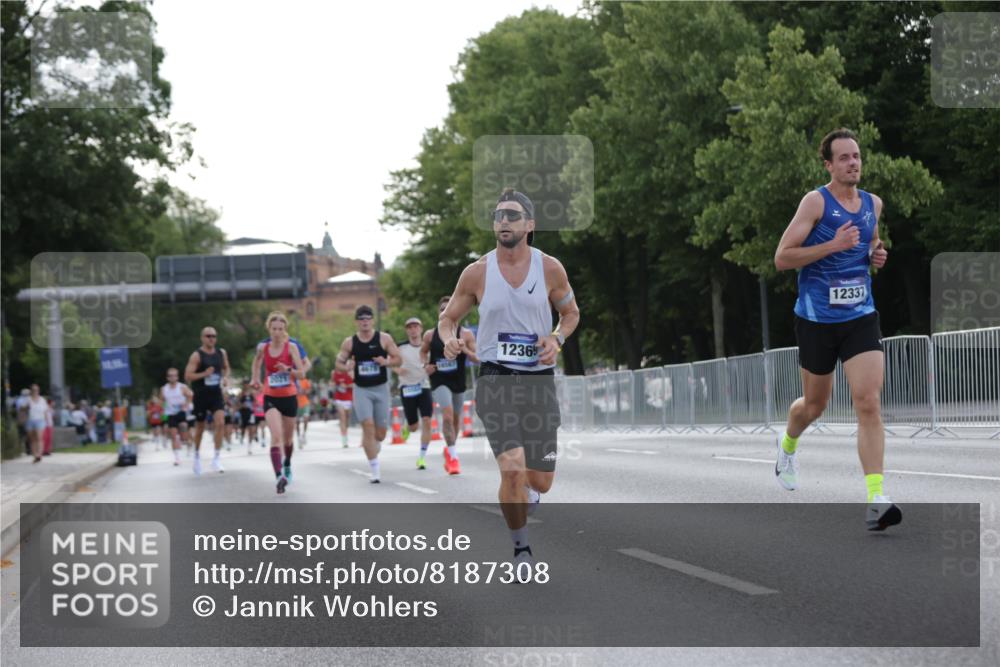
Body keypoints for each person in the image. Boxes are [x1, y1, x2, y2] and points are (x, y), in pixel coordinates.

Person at [439, 187, 579, 577]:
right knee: (513, 471)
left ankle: (528, 495)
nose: (504, 221)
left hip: (538, 382)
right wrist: (450, 338)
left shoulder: (550, 268)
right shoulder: (476, 272)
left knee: (541, 481)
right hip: (496, 379)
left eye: (513, 215)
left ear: (530, 225)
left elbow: (570, 313)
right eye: (499, 215)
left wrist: (556, 339)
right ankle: (521, 551)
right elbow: (448, 317)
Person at [773, 127, 900, 531]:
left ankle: (877, 497)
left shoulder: (872, 204)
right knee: (815, 405)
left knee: (868, 400)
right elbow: (782, 258)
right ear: (828, 164)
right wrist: (832, 246)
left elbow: (869, 246)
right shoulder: (815, 202)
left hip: (860, 315)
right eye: (844, 157)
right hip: (816, 320)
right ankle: (788, 444)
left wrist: (875, 256)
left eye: (857, 155)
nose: (853, 162)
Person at [335, 305, 402, 483]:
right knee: (368, 426)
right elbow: (339, 363)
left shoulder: (384, 339)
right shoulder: (350, 342)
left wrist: (385, 361)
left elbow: (398, 358)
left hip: (381, 389)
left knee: (380, 434)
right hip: (362, 389)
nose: (364, 321)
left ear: (372, 320)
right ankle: (375, 470)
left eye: (367, 318)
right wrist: (346, 366)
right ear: (357, 322)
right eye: (361, 318)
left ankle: (374, 444)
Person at [251, 311, 306, 494]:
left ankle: (287, 465)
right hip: (271, 397)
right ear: (269, 329)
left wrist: (288, 369)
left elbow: (301, 373)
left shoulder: (291, 348)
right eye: (274, 329)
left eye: (280, 329)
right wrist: (255, 379)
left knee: (288, 439)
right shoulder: (263, 348)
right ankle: (278, 477)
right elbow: (257, 363)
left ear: (285, 330)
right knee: (276, 437)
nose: (277, 332)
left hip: (289, 396)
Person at [423, 296, 479, 474]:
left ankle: (449, 449)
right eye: (441, 309)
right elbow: (422, 353)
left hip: (458, 381)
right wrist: (425, 365)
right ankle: (454, 458)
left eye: (448, 309)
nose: (444, 312)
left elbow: (477, 358)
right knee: (446, 415)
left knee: (455, 420)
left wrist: (464, 349)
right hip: (439, 380)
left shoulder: (466, 334)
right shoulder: (430, 335)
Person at [184, 326, 230, 475]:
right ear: (202, 338)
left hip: (216, 394)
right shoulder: (197, 355)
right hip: (201, 395)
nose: (211, 338)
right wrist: (204, 373)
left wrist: (225, 377)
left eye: (214, 336)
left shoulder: (221, 353)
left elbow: (226, 368)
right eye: (208, 336)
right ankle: (196, 455)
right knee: (200, 428)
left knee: (220, 423)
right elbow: (188, 376)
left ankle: (216, 458)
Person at [397, 317, 435, 470]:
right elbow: (390, 361)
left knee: (427, 420)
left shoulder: (428, 348)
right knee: (414, 427)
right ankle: (408, 425)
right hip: (407, 387)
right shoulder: (400, 347)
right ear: (407, 330)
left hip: (424, 386)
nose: (413, 329)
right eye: (410, 327)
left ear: (421, 329)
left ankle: (421, 457)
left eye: (416, 326)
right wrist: (397, 369)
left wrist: (432, 369)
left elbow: (434, 364)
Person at [160, 368, 193, 467]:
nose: (172, 377)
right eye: (170, 376)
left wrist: (186, 404)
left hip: (181, 413)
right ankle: (177, 458)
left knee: (184, 432)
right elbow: (161, 401)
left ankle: (187, 442)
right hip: (171, 414)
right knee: (174, 435)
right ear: (167, 377)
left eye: (174, 375)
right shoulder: (164, 389)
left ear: (177, 377)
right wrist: (164, 407)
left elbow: (190, 396)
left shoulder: (182, 387)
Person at [24, 384, 51, 463]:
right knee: (33, 439)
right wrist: (26, 407)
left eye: (37, 390)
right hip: (30, 420)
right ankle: (35, 454)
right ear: (31, 391)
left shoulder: (42, 399)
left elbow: (45, 410)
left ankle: (39, 454)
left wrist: (47, 421)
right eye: (33, 390)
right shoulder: (28, 399)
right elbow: (22, 409)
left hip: (40, 420)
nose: (35, 391)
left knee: (39, 437)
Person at [331, 365, 354, 448]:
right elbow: (332, 382)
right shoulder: (334, 373)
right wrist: (334, 385)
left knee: (347, 419)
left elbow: (355, 384)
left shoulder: (350, 373)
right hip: (338, 398)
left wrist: (346, 386)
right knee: (342, 417)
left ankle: (346, 433)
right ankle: (344, 439)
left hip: (348, 399)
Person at [296, 376, 312, 448]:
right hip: (296, 404)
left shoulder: (305, 380)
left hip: (305, 403)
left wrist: (304, 391)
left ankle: (304, 434)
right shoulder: (294, 380)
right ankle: (299, 437)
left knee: (306, 418)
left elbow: (309, 390)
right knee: (297, 422)